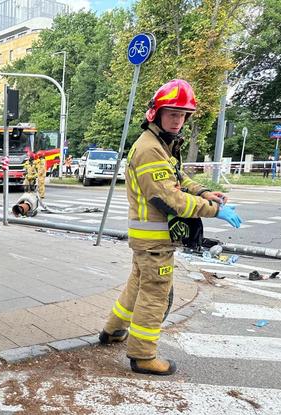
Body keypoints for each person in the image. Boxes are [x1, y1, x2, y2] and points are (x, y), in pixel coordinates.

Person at [99, 79, 242, 376]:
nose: (178, 120)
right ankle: (143, 355)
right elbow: (171, 198)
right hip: (156, 239)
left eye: (182, 115)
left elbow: (179, 180)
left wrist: (204, 193)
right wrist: (215, 210)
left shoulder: (162, 145)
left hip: (147, 238)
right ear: (157, 113)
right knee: (155, 294)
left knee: (137, 285)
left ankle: (112, 330)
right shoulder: (151, 149)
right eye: (172, 113)